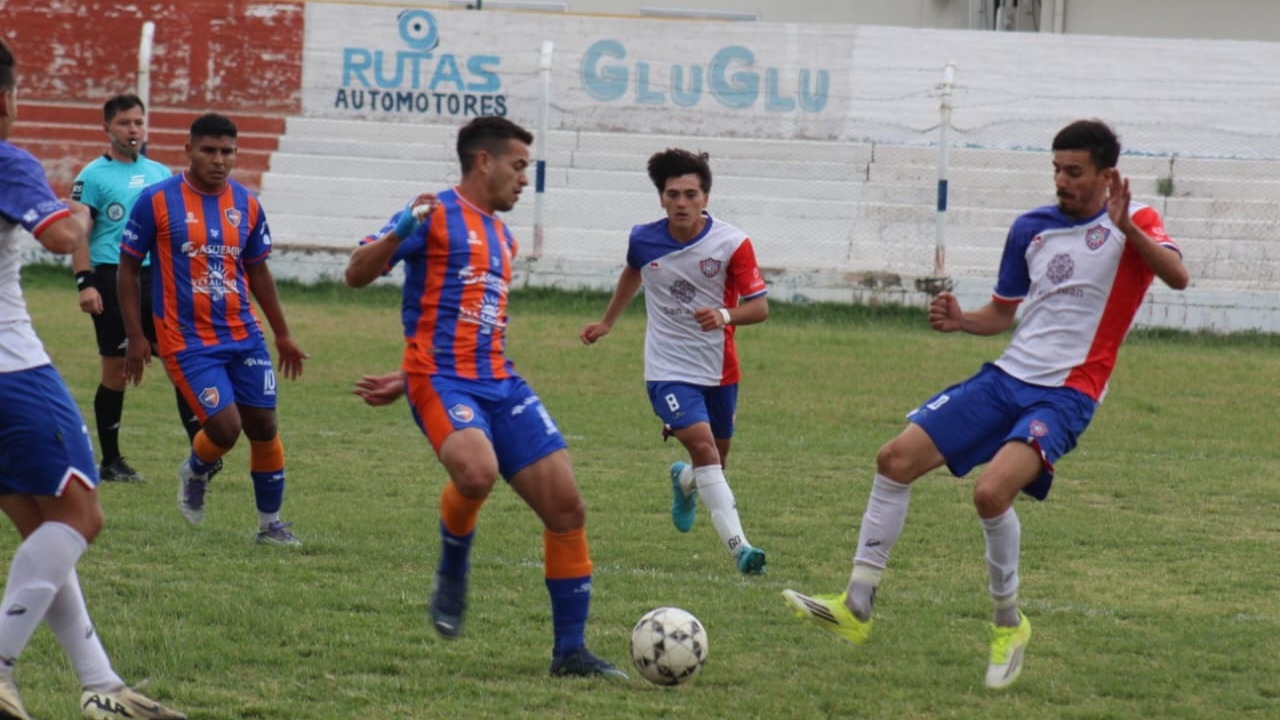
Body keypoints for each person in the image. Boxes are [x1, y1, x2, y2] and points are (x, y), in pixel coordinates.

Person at [782, 119, 1189, 690]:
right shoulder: (1032, 228)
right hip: (1005, 378)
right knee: (894, 460)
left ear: (1106, 175)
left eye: (1074, 171)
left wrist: (1127, 230)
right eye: (1057, 169)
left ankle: (1007, 624)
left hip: (1069, 392)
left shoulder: (1135, 221)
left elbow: (1177, 277)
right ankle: (856, 606)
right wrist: (962, 321)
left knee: (991, 492)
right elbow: (1002, 312)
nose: (1061, 181)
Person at [345, 116, 627, 679]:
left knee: (567, 508)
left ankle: (570, 652)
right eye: (518, 166)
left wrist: (401, 378)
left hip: (499, 380)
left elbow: (467, 319)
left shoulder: (503, 237)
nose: (524, 179)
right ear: (484, 162)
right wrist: (399, 231)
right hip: (442, 380)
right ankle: (453, 565)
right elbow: (356, 273)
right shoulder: (432, 213)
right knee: (477, 472)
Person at [0, 38, 187, 720]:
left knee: (44, 527)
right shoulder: (8, 160)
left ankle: (100, 683)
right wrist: (78, 217)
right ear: (4, 99)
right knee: (81, 514)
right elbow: (59, 235)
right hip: (11, 370)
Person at [117, 112, 307, 545]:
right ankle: (195, 470)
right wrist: (136, 334)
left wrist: (282, 333)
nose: (219, 160)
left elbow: (259, 272)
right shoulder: (156, 200)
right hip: (186, 339)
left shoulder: (247, 204)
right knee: (225, 428)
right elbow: (127, 269)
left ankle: (270, 525)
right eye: (209, 150)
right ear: (189, 150)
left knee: (264, 425)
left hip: (243, 333)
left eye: (227, 151)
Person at [580, 148, 770, 575]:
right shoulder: (644, 239)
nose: (681, 202)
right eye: (673, 195)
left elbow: (759, 308)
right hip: (667, 370)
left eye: (690, 194)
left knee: (713, 463)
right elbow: (634, 270)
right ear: (661, 198)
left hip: (719, 368)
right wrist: (608, 322)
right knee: (703, 446)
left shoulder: (732, 243)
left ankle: (684, 480)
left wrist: (723, 315)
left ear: (706, 198)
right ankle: (741, 549)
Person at [70, 93, 213, 483]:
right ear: (107, 128)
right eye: (124, 123)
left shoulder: (160, 172)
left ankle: (202, 455)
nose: (132, 130)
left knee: (179, 363)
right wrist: (85, 282)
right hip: (113, 278)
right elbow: (79, 232)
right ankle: (111, 461)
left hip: (160, 279)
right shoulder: (92, 176)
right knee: (117, 370)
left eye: (138, 122)